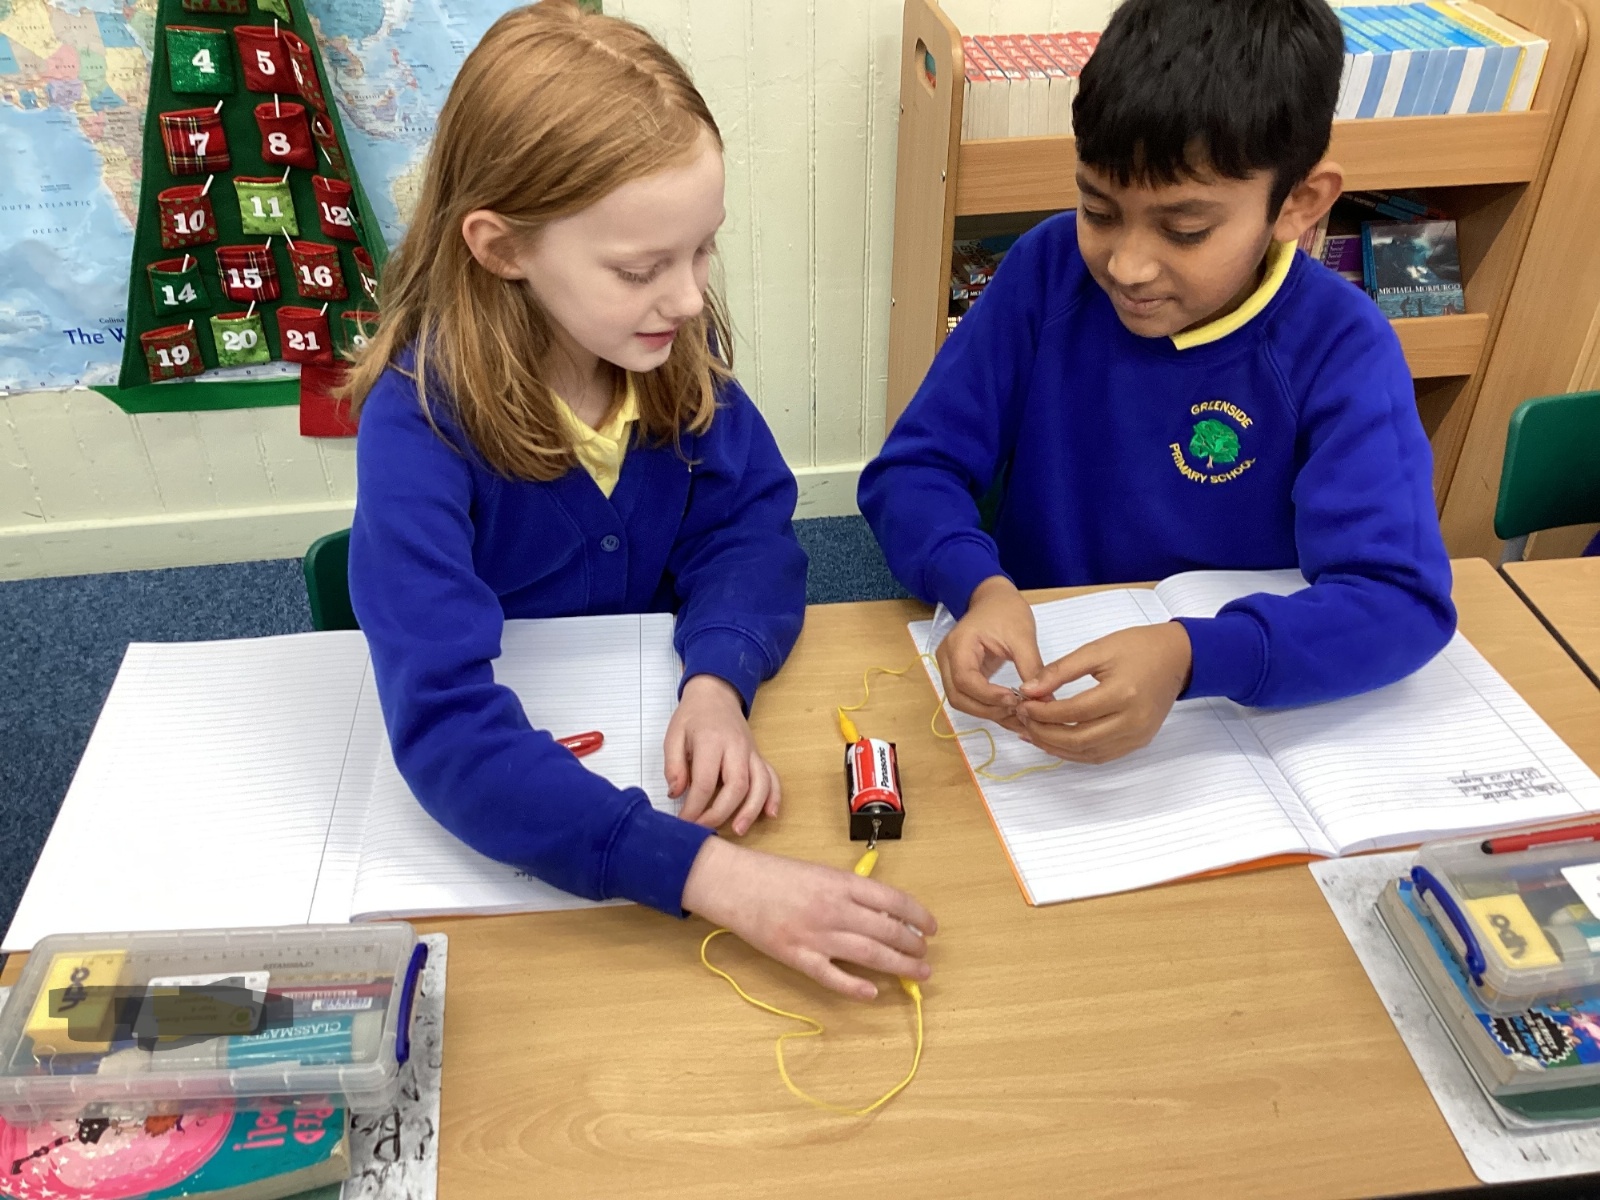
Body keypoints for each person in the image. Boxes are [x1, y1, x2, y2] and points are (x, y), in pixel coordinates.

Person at [347, 1, 934, 1000]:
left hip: (647, 731)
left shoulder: (669, 354)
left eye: (702, 250)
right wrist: (708, 876)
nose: (692, 298)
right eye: (641, 268)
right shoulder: (420, 425)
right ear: (501, 247)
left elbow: (747, 534)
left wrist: (717, 680)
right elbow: (444, 728)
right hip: (556, 843)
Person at [860, 0, 1455, 765]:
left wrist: (1194, 656)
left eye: (1185, 230)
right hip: (1039, 686)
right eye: (1097, 210)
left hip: (1228, 732)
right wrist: (979, 586)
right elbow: (912, 471)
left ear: (1298, 204)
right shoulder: (1047, 271)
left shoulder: (1341, 344)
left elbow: (1400, 599)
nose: (1128, 265)